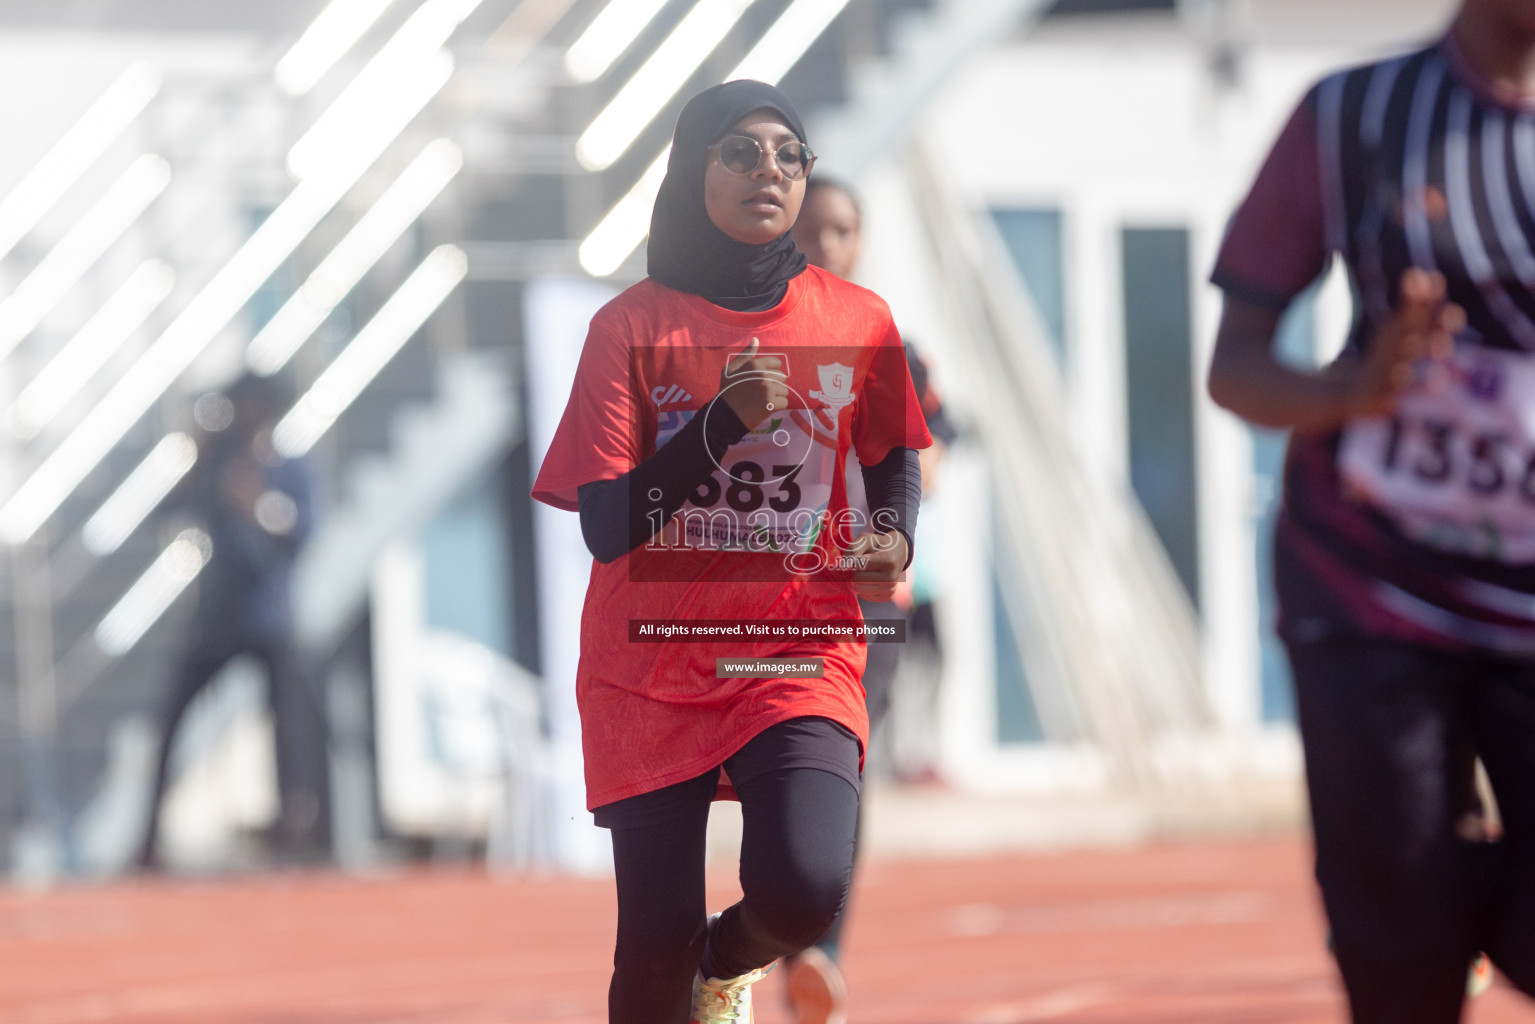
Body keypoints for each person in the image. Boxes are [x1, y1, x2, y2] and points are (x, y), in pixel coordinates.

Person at [531, 81, 930, 1023]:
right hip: (650, 663)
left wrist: (891, 539)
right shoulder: (629, 328)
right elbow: (605, 525)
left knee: (803, 884)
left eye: (790, 155)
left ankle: (727, 963)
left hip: (792, 647)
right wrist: (716, 427)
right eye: (741, 153)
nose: (770, 172)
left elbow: (893, 457)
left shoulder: (857, 320)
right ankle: (682, 969)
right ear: (690, 169)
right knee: (650, 950)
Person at [1206, 3, 1535, 1020]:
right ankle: (1425, 913)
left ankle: (1467, 904)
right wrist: (1355, 389)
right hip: (1368, 585)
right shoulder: (1346, 118)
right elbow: (1236, 371)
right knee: (1395, 953)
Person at [781, 177, 957, 1024]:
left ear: (862, 241)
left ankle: (817, 951)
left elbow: (933, 458)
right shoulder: (739, 340)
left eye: (842, 229)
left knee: (839, 762)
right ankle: (759, 930)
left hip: (866, 604)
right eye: (812, 228)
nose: (826, 243)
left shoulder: (893, 351)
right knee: (766, 762)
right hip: (765, 598)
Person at [136, 373, 325, 870]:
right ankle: (147, 840)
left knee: (289, 732)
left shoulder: (288, 468)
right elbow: (168, 512)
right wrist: (197, 463)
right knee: (169, 726)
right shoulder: (217, 465)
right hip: (215, 621)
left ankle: (294, 838)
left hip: (270, 621)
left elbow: (303, 532)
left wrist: (258, 504)